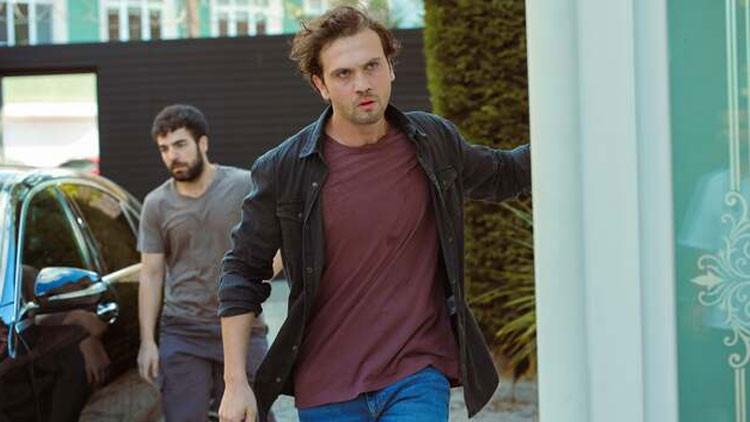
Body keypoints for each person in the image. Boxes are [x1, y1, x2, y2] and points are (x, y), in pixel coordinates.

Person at [217, 6, 531, 422]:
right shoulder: (285, 169)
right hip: (326, 386)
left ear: (390, 68)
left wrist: (580, 127)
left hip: (417, 371)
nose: (362, 84)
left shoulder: (432, 142)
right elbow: (243, 271)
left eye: (372, 66)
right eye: (343, 74)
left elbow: (506, 173)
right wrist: (235, 382)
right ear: (321, 85)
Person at [137, 104, 276, 422]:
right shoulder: (156, 204)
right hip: (183, 330)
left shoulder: (244, 186)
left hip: (242, 325)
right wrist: (147, 341)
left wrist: (258, 280)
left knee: (251, 415)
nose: (173, 155)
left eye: (180, 144)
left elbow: (277, 244)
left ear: (203, 143)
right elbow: (151, 274)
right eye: (164, 149)